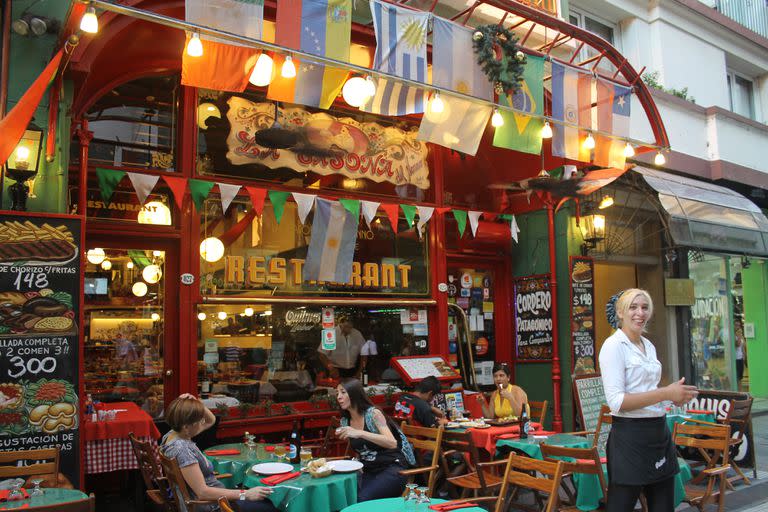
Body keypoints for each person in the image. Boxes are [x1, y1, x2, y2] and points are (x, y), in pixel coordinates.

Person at [599, 289, 698, 512]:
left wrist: (674, 398)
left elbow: (648, 391)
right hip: (629, 437)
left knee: (663, 506)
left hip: (658, 433)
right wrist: (665, 393)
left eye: (644, 307)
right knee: (620, 506)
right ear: (620, 313)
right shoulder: (613, 346)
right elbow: (616, 402)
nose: (639, 313)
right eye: (633, 307)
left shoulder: (648, 346)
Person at [160, 394, 278, 512]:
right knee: (272, 506)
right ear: (186, 426)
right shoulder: (182, 450)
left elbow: (211, 420)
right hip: (214, 506)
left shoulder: (173, 434)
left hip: (216, 499)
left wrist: (196, 403)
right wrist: (245, 494)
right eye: (200, 420)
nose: (203, 421)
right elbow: (202, 493)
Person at [336, 379, 415, 501]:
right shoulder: (345, 421)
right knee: (343, 498)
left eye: (343, 392)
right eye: (337, 394)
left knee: (361, 499)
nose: (339, 397)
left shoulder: (374, 414)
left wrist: (360, 433)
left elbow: (392, 442)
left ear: (355, 394)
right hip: (368, 470)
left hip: (392, 468)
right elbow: (361, 449)